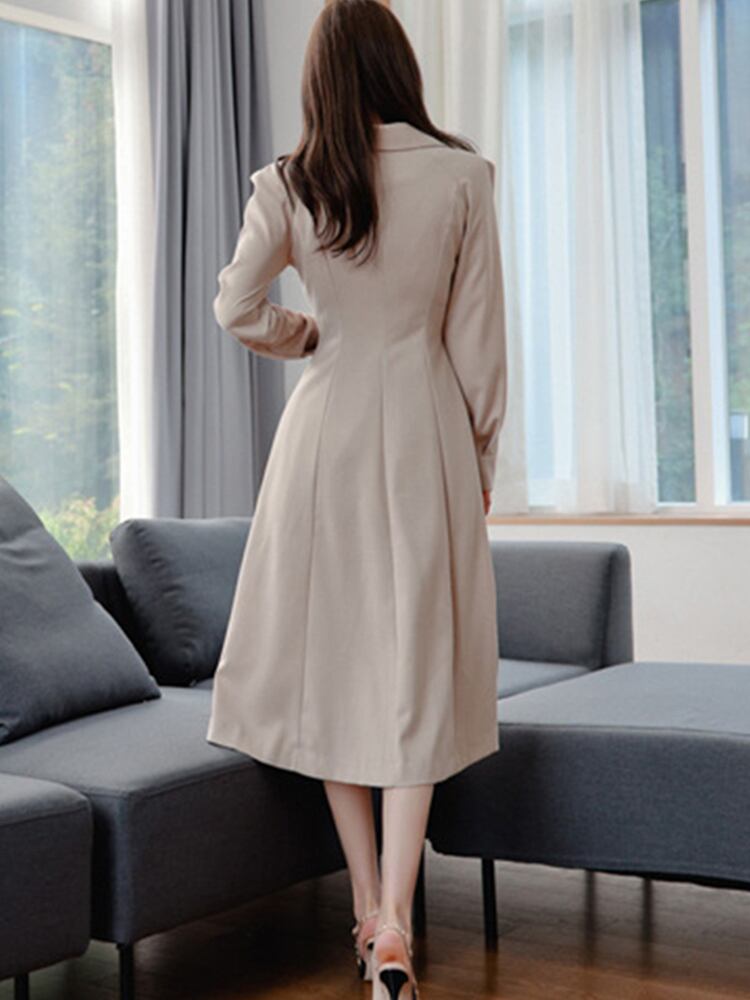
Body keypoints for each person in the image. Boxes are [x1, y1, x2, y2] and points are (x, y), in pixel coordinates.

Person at [205, 1, 508, 997]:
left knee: (336, 666)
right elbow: (478, 344)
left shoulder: (291, 182)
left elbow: (236, 305)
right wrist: (481, 460)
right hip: (427, 430)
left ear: (321, 79)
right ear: (397, 65)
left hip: (323, 435)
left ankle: (368, 905)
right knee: (416, 666)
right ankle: (398, 927)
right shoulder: (463, 176)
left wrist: (308, 337)